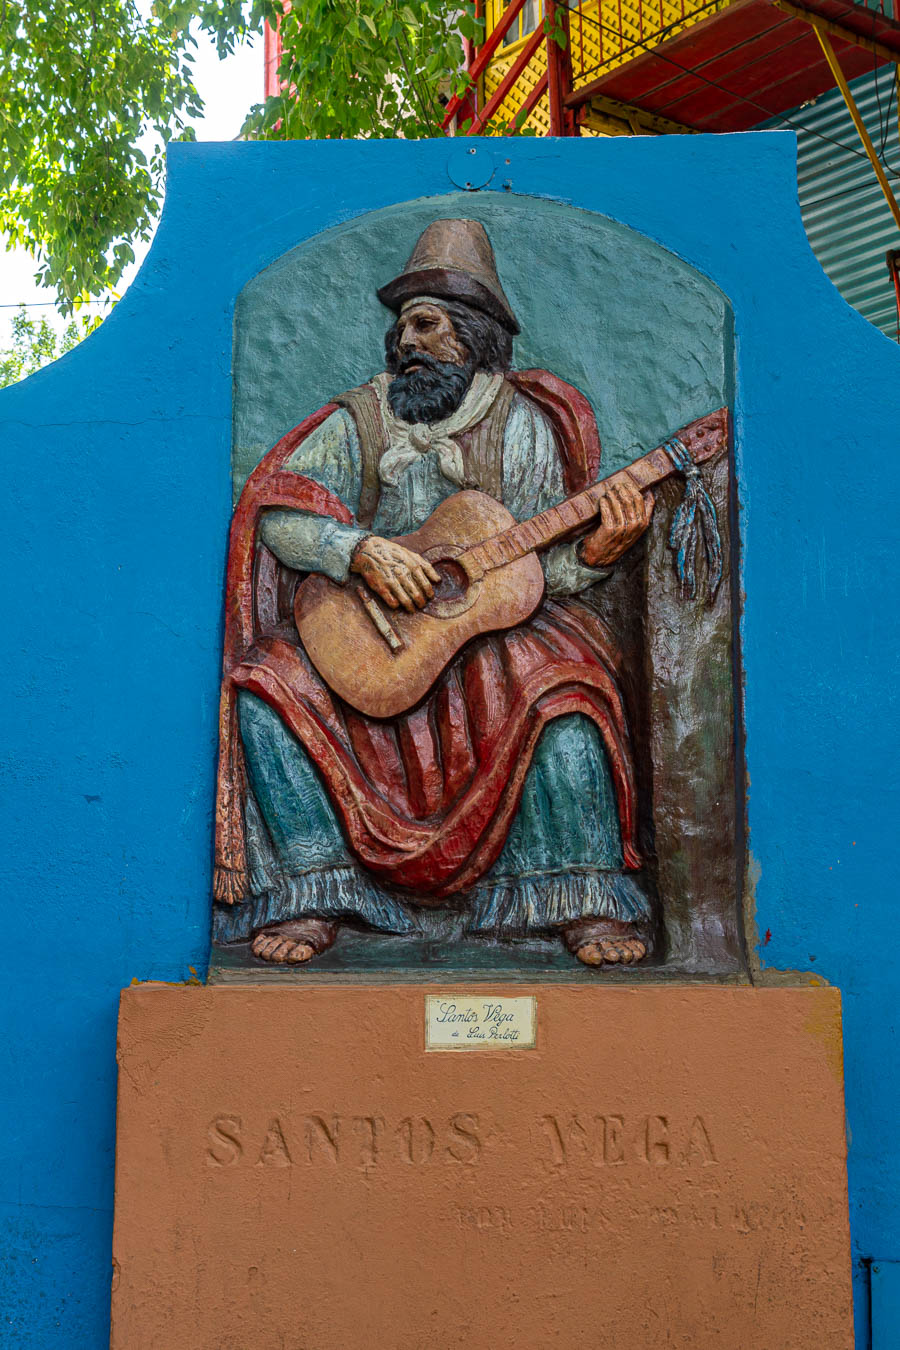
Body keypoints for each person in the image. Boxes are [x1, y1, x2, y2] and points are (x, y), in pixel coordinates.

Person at [213, 218, 655, 967]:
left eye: (425, 325)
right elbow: (279, 512)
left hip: (486, 631)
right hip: (366, 626)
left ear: (473, 335)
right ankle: (318, 891)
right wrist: (358, 553)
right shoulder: (363, 416)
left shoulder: (521, 424)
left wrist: (596, 553)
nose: (404, 343)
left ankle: (571, 895)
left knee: (567, 689)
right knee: (266, 685)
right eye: (399, 328)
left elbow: (535, 574)